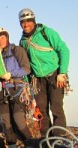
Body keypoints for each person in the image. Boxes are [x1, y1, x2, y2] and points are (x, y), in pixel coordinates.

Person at [18, 8, 70, 137]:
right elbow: (26, 64)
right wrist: (27, 84)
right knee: (42, 110)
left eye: (28, 21)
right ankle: (46, 140)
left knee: (56, 107)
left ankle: (59, 138)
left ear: (34, 21)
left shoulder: (46, 32)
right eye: (23, 22)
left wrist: (62, 73)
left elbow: (63, 50)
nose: (26, 24)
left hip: (55, 75)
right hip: (37, 80)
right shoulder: (23, 42)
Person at [0, 27, 34, 148]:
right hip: (1, 92)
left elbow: (26, 69)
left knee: (18, 119)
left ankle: (32, 145)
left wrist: (11, 74)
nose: (0, 40)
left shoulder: (17, 50)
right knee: (6, 121)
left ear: (7, 38)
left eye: (2, 37)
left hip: (17, 88)